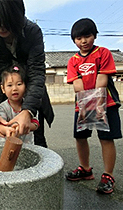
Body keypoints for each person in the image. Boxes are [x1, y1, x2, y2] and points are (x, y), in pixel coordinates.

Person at [0, 0, 54, 147]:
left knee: (38, 143)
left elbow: (37, 74)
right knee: (0, 147)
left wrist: (28, 111)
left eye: (7, 21)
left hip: (31, 97)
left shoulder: (32, 32)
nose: (1, 27)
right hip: (2, 100)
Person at [65, 18, 122, 194]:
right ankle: (85, 169)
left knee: (106, 138)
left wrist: (98, 105)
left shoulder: (103, 53)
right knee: (80, 137)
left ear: (95, 36)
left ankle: (108, 175)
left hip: (106, 103)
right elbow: (77, 84)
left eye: (87, 36)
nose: (83, 41)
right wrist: (84, 106)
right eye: (79, 38)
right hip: (82, 105)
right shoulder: (73, 61)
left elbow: (102, 80)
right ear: (74, 40)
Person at [0, 64, 39, 143]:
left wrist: (27, 126)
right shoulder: (2, 108)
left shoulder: (30, 106)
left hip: (27, 145)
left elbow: (36, 123)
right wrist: (7, 130)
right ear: (3, 88)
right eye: (9, 85)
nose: (15, 88)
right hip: (6, 146)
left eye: (19, 84)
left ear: (25, 86)